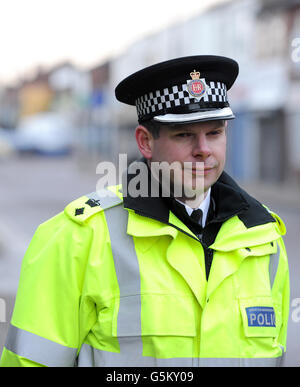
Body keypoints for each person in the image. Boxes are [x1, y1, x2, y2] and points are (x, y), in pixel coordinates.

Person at [0, 56, 289, 367]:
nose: (204, 149)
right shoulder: (78, 238)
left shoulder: (265, 240)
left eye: (215, 132)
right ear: (145, 142)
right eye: (184, 135)